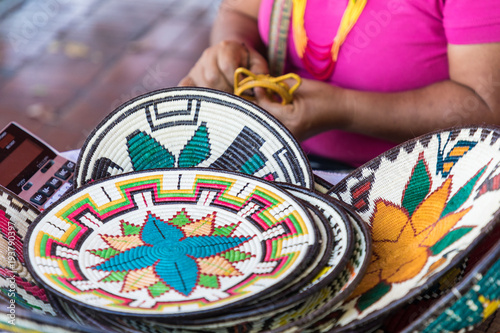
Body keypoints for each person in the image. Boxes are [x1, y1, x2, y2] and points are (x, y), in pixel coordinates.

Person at [179, 0, 500, 168]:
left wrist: (345, 110)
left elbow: (485, 105)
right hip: (291, 166)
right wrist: (233, 47)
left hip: (418, 187)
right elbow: (239, 10)